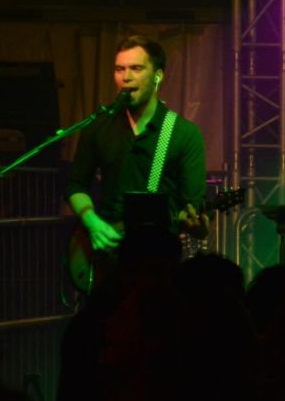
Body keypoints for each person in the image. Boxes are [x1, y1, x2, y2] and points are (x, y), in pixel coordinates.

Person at [67, 35, 208, 279]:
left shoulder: (183, 134)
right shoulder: (99, 126)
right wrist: (91, 221)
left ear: (158, 76)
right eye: (119, 69)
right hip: (105, 253)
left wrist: (198, 225)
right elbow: (76, 185)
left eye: (136, 68)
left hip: (158, 263)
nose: (126, 77)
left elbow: (193, 209)